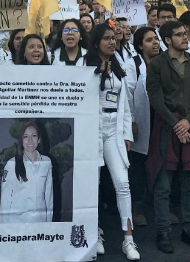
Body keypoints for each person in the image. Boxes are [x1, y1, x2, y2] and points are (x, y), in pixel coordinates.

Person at [146, 20, 190, 254]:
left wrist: (188, 121)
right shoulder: (156, 64)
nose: (185, 37)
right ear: (167, 40)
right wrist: (176, 125)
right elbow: (155, 98)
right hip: (166, 128)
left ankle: (189, 230)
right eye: (179, 34)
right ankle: (163, 232)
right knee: (163, 183)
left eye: (185, 33)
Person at [78, 23, 140, 260]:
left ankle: (128, 239)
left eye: (114, 38)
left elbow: (125, 104)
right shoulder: (84, 65)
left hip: (114, 129)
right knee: (91, 185)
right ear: (96, 43)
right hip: (92, 130)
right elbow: (80, 96)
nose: (112, 42)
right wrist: (96, 74)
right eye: (107, 38)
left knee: (123, 183)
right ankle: (94, 233)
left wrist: (126, 134)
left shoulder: (118, 66)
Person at [128, 27, 160, 227]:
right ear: (140, 45)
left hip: (161, 118)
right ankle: (137, 206)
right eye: (149, 40)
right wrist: (131, 120)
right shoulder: (133, 64)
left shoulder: (164, 62)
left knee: (161, 161)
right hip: (141, 120)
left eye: (156, 39)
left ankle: (159, 204)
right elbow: (128, 94)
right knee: (139, 164)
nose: (155, 43)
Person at [0, 122, 54, 224]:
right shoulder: (12, 164)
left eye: (34, 136)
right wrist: (4, 227)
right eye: (25, 136)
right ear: (21, 140)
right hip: (18, 222)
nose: (30, 140)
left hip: (39, 221)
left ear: (39, 139)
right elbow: (5, 199)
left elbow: (49, 196)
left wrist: (48, 224)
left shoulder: (46, 162)